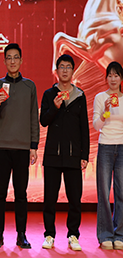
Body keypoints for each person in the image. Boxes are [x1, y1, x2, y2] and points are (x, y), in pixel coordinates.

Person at [0, 43, 39, 249]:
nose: (12, 61)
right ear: (4, 61)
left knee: (21, 194)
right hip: (1, 146)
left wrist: (33, 145)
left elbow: (33, 117)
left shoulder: (29, 86)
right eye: (8, 57)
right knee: (0, 193)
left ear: (21, 60)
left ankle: (21, 235)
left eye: (16, 57)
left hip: (22, 148)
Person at [40, 54, 89, 251]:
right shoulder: (49, 94)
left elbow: (84, 128)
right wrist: (55, 106)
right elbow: (44, 121)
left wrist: (84, 155)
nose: (65, 70)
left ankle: (73, 235)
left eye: (68, 67)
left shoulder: (80, 96)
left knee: (75, 198)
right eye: (62, 67)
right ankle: (49, 234)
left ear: (73, 71)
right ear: (57, 70)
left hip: (73, 156)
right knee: (49, 199)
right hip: (53, 154)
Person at [93, 61, 123, 250]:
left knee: (121, 192)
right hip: (105, 146)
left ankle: (120, 234)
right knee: (104, 192)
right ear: (106, 78)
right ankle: (105, 234)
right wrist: (105, 112)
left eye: (116, 75)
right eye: (110, 75)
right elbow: (96, 125)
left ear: (121, 79)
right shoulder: (100, 97)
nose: (113, 79)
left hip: (122, 147)